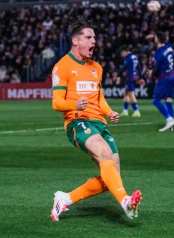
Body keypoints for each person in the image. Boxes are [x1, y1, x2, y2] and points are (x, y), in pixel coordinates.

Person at [50, 17, 142, 221]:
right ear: (76, 41)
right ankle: (126, 203)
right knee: (103, 153)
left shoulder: (96, 67)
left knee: (113, 176)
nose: (94, 41)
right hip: (78, 122)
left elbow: (98, 97)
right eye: (89, 37)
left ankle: (65, 199)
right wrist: (73, 105)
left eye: (94, 37)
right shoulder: (62, 66)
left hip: (100, 123)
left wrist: (108, 112)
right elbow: (56, 102)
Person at [147, 32, 174, 132]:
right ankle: (170, 125)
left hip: (164, 78)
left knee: (155, 100)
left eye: (155, 37)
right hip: (173, 76)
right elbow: (166, 41)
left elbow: (156, 70)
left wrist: (151, 73)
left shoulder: (158, 54)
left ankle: (169, 119)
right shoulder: (169, 47)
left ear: (158, 39)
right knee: (168, 100)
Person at [118, 47, 144, 117]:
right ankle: (125, 110)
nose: (122, 54)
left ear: (125, 51)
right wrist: (141, 77)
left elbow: (124, 67)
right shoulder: (134, 57)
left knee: (131, 94)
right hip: (134, 77)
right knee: (126, 93)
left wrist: (119, 74)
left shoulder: (127, 58)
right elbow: (139, 67)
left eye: (122, 53)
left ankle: (136, 111)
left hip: (130, 77)